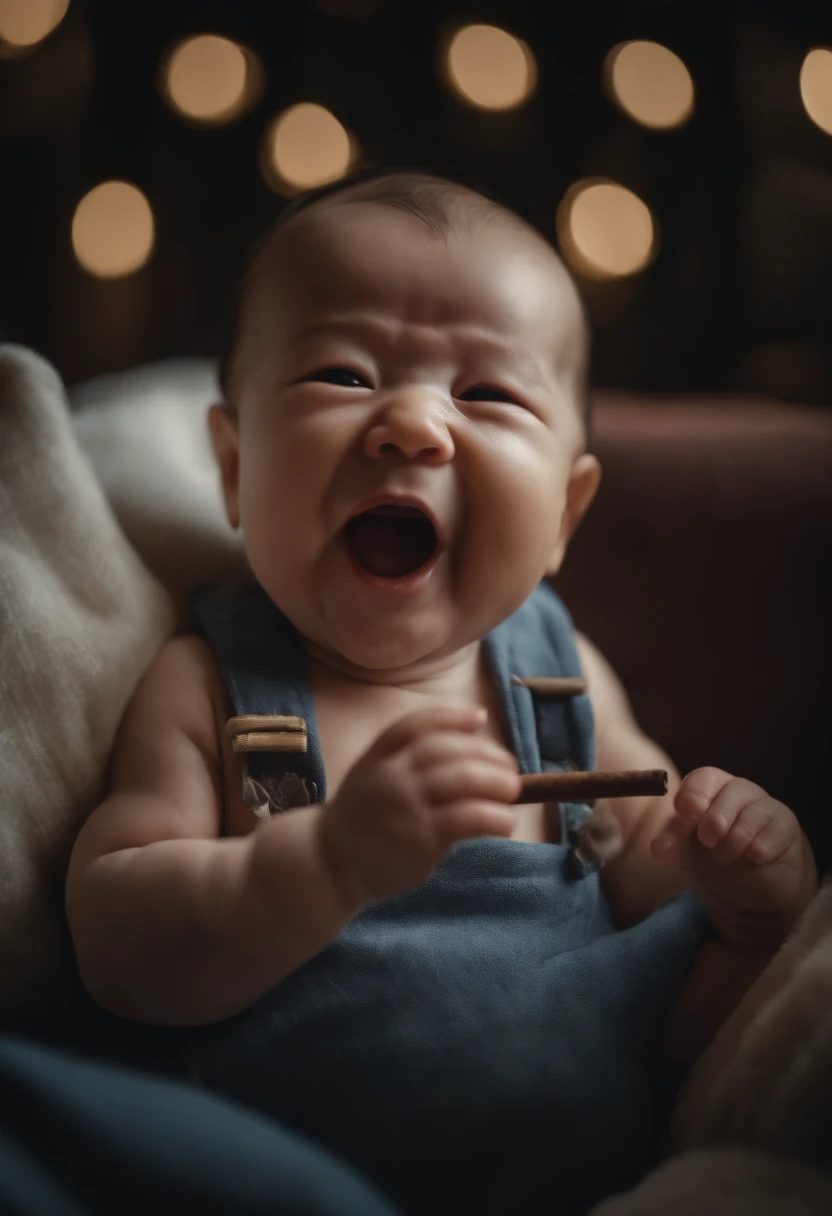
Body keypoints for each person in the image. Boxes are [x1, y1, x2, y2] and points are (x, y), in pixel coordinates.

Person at [64, 169, 817, 1216]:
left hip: (586, 1174)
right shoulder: (215, 690)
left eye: (488, 393)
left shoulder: (561, 679)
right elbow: (117, 944)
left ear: (564, 511)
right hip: (279, 1168)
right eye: (341, 374)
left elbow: (656, 895)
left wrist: (742, 895)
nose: (414, 425)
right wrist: (326, 861)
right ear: (233, 469)